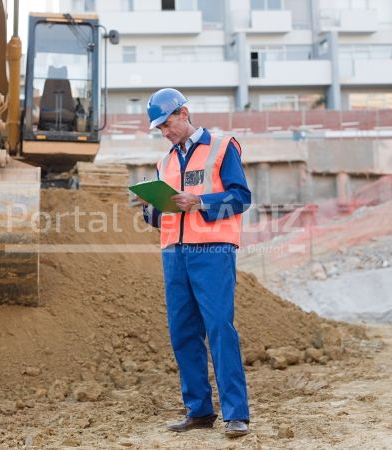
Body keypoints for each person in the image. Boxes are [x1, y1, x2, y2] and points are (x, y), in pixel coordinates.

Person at [142, 88, 251, 437]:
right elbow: (166, 214)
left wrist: (200, 201)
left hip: (212, 250)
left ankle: (236, 414)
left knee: (219, 327)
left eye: (167, 123)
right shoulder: (165, 161)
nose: (164, 131)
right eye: (159, 128)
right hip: (175, 253)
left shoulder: (222, 146)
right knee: (183, 333)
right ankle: (199, 411)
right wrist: (150, 209)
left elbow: (241, 198)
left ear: (184, 112)